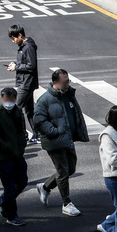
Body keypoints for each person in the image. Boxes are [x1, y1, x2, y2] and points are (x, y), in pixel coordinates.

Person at [34, 69, 89, 217]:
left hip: (68, 139)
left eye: (68, 80)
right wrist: (55, 131)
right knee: (63, 171)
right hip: (55, 142)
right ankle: (66, 203)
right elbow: (39, 120)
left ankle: (45, 187)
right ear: (55, 83)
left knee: (70, 169)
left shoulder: (68, 95)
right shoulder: (45, 100)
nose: (68, 83)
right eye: (65, 81)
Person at [0, 88, 28, 227]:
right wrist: (9, 147)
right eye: (6, 99)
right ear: (2, 99)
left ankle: (3, 201)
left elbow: (22, 130)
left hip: (18, 155)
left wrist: (21, 145)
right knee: (10, 187)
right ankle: (11, 215)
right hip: (4, 157)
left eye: (12, 100)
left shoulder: (17, 112)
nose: (9, 102)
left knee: (22, 181)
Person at [7, 25, 39, 142]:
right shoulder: (23, 46)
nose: (13, 41)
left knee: (16, 109)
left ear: (20, 35)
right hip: (25, 82)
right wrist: (15, 64)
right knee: (29, 110)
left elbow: (31, 65)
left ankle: (23, 135)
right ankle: (37, 134)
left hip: (26, 83)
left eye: (13, 38)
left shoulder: (28, 47)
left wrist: (17, 67)